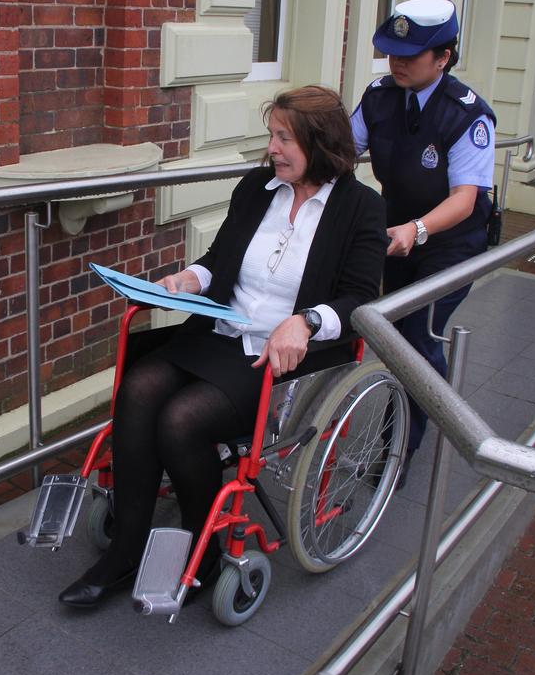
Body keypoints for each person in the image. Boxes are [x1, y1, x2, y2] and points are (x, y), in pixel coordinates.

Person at [59, 85, 388, 608]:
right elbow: (219, 259)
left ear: (321, 144)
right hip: (218, 334)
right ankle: (124, 552)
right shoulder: (259, 187)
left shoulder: (360, 208)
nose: (273, 149)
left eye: (285, 138)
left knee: (181, 419)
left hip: (278, 358)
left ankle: (202, 551)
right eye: (272, 136)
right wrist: (188, 279)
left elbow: (360, 300)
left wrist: (304, 321)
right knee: (140, 387)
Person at [351, 0, 496, 485]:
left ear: (444, 57)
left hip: (451, 241)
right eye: (392, 53)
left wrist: (418, 230)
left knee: (414, 336)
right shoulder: (379, 97)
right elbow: (342, 150)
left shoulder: (466, 115)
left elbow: (464, 199)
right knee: (395, 332)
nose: (397, 63)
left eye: (409, 56)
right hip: (397, 233)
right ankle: (431, 384)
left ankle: (401, 445)